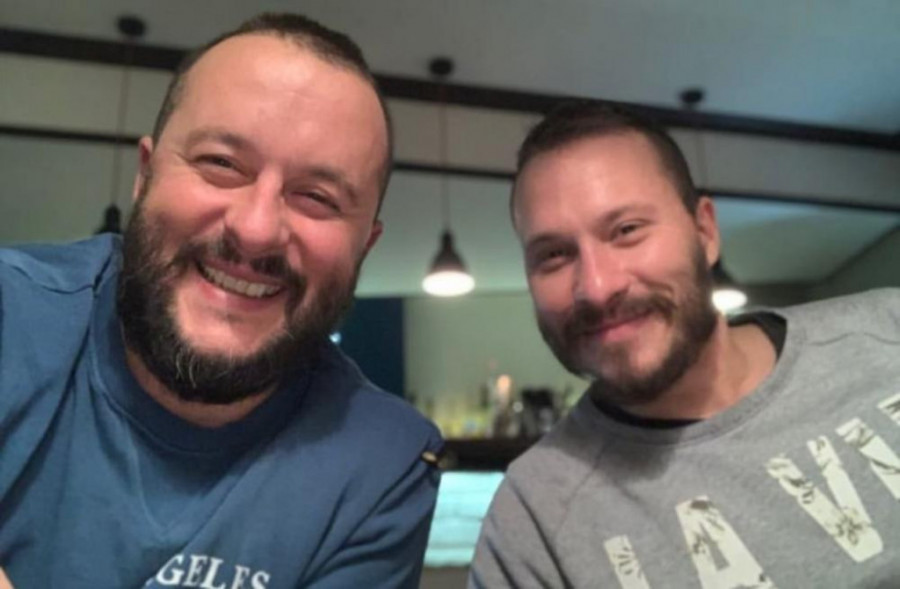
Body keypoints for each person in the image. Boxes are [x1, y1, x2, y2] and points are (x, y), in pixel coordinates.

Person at [0, 13, 443, 589]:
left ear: (365, 246)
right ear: (145, 176)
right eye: (221, 164)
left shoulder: (383, 462)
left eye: (317, 197)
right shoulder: (12, 315)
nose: (256, 230)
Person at [470, 101, 900, 588]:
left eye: (627, 231)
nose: (596, 287)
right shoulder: (533, 520)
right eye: (553, 255)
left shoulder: (887, 330)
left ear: (705, 232)